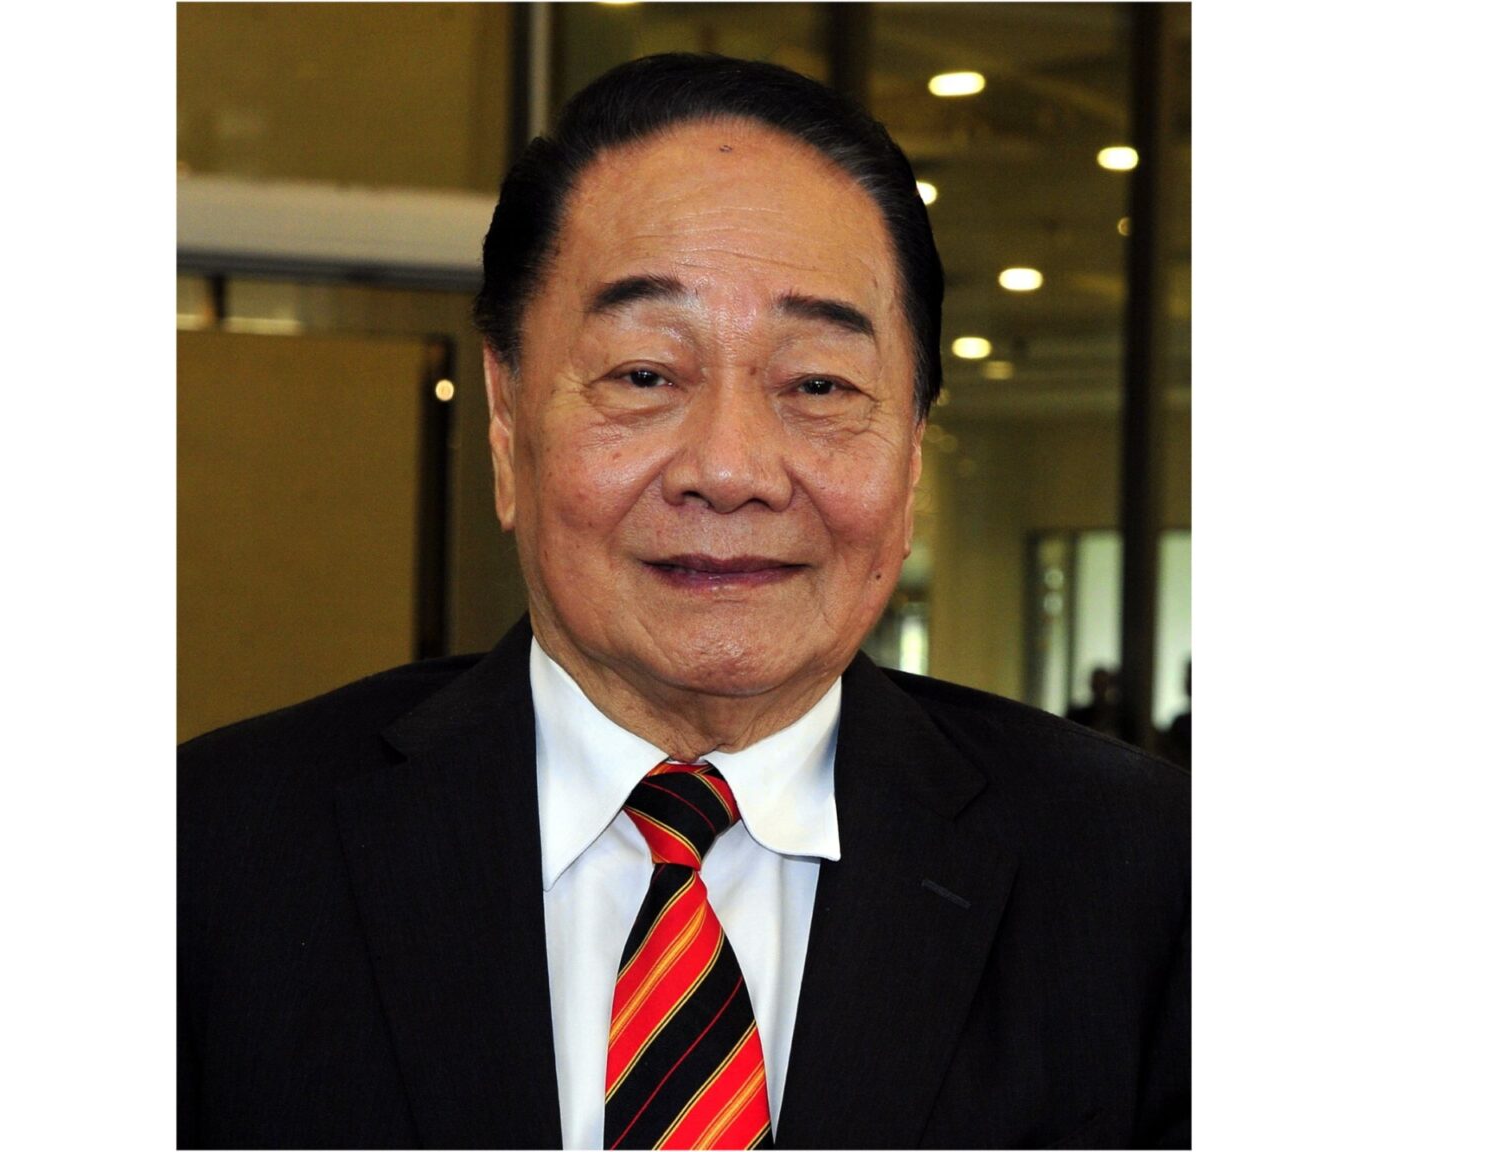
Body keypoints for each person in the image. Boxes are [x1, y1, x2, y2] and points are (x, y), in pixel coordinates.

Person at [179, 54, 1188, 1150]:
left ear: (909, 454)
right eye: (645, 375)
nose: (730, 468)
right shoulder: (208, 860)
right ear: (507, 423)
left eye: (818, 384)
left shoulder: (1151, 887)